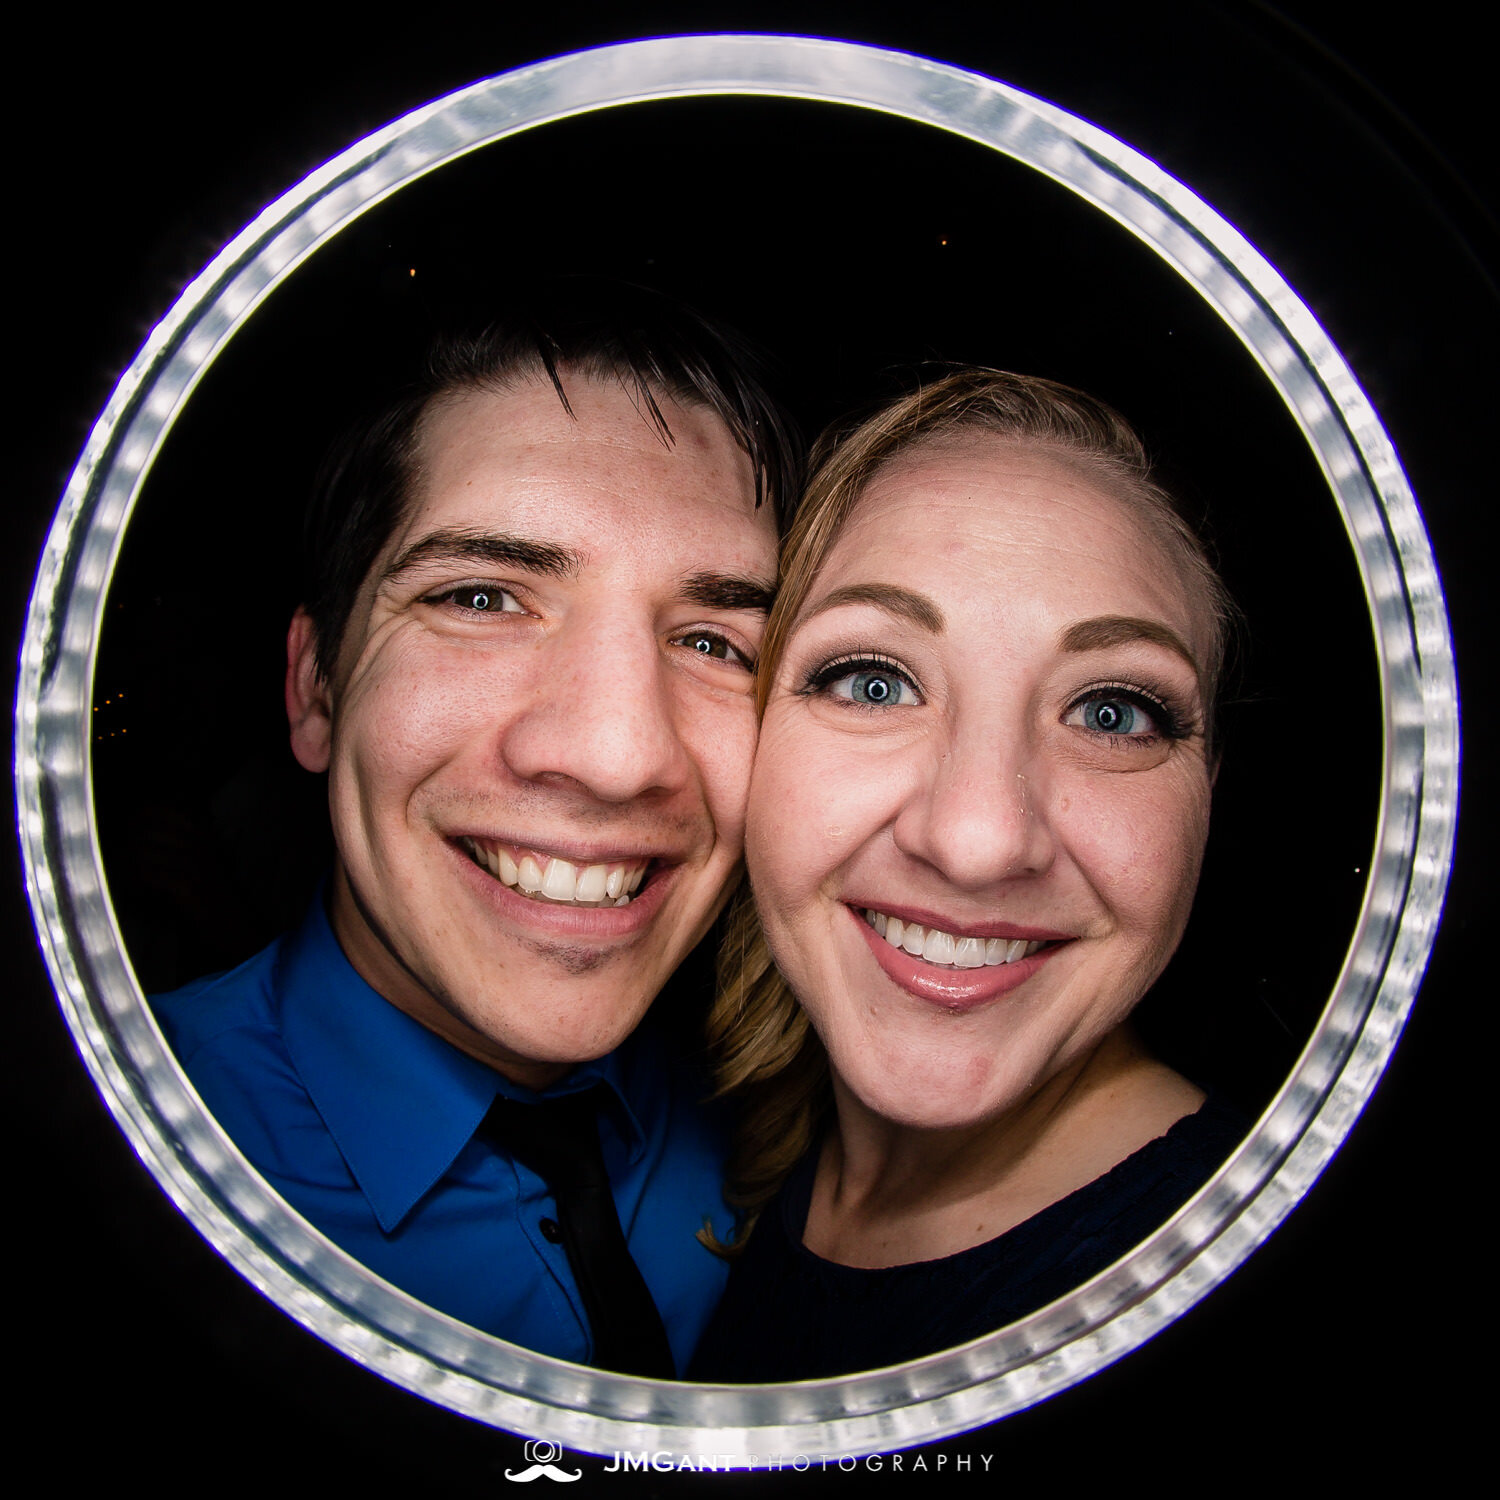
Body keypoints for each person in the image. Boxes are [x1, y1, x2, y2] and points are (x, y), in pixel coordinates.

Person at [152, 283, 799, 1378]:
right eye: (480, 599)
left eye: (714, 642)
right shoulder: (147, 1148)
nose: (617, 754)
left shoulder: (783, 1137)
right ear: (315, 688)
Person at [690, 368, 1247, 1381]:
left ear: (1211, 788)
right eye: (874, 681)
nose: (979, 839)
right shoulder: (753, 1147)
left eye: (1111, 711)